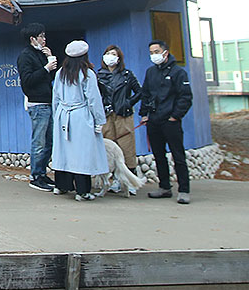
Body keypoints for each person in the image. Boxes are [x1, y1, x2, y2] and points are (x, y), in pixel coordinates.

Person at [51, 40, 108, 201]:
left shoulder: (60, 72)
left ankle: (61, 185)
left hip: (63, 114)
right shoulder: (87, 73)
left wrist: (57, 116)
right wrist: (99, 120)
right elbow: (94, 99)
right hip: (81, 115)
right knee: (82, 153)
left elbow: (55, 97)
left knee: (64, 151)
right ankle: (82, 190)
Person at [139, 39, 193, 204]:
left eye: (156, 51)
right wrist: (144, 114)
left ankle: (184, 190)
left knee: (178, 155)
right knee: (158, 155)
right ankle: (164, 187)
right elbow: (146, 94)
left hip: (170, 121)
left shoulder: (178, 72)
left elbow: (185, 97)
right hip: (153, 120)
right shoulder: (150, 72)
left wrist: (175, 116)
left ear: (165, 52)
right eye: (151, 52)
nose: (153, 55)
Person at [17, 23, 58, 191]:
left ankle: (42, 172)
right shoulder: (25, 56)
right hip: (37, 103)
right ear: (32, 38)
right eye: (41, 36)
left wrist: (50, 59)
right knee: (39, 142)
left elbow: (52, 75)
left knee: (50, 141)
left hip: (49, 101)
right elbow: (27, 81)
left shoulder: (40, 54)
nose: (44, 39)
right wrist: (45, 68)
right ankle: (35, 176)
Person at [97, 44, 142, 193]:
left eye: (114, 54)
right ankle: (115, 180)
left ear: (119, 58)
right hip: (106, 115)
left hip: (123, 115)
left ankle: (130, 181)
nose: (110, 56)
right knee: (109, 147)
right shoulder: (99, 76)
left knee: (126, 146)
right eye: (108, 53)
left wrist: (128, 103)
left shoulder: (127, 75)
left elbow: (139, 92)